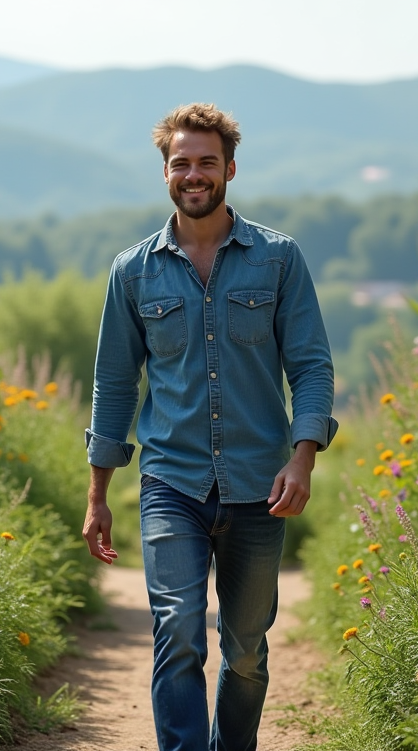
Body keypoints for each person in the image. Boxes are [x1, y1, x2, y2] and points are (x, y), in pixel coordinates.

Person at [82, 102, 337, 751]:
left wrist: (303, 456)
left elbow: (309, 365)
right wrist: (97, 495)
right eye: (181, 163)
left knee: (247, 652)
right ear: (165, 172)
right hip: (172, 481)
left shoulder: (278, 260)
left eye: (206, 163)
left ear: (229, 169)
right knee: (179, 633)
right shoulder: (132, 271)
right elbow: (114, 384)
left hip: (260, 484)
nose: (193, 174)